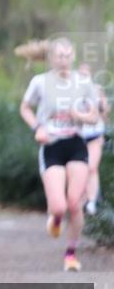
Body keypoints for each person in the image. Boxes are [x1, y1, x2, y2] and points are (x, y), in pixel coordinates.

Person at [19, 37, 100, 272]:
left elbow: (95, 117)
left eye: (67, 56)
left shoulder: (83, 82)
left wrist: (80, 116)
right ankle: (55, 218)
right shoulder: (40, 82)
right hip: (52, 145)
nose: (63, 60)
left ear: (73, 56)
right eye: (59, 56)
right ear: (51, 59)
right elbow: (25, 108)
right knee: (58, 207)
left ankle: (70, 255)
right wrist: (38, 128)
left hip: (76, 144)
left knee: (75, 203)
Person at [77, 62, 109, 215]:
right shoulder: (72, 92)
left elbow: (104, 113)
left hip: (95, 134)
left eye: (86, 74)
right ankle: (82, 198)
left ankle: (92, 201)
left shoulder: (97, 90)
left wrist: (101, 103)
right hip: (78, 136)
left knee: (92, 167)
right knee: (81, 169)